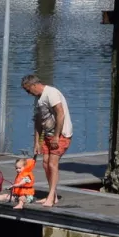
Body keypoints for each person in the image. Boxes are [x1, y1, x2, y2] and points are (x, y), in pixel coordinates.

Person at [21, 74, 71, 207]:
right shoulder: (39, 99)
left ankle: (51, 196)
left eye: (28, 90)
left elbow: (60, 114)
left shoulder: (51, 93)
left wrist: (56, 136)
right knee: (45, 163)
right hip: (47, 135)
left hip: (60, 134)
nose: (28, 93)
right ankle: (52, 195)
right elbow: (38, 121)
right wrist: (36, 142)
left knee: (52, 164)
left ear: (34, 85)